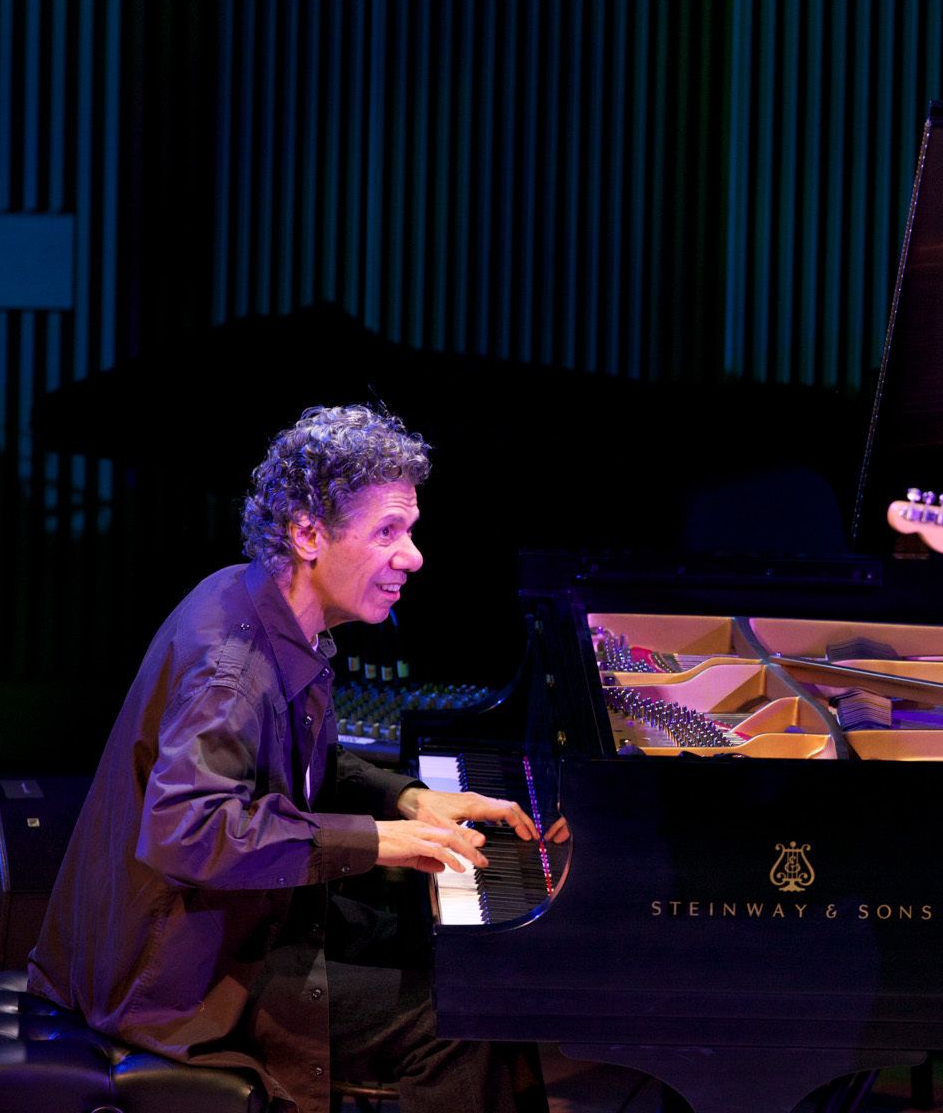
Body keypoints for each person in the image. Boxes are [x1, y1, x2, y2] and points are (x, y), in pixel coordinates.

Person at [29, 404, 559, 1113]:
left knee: (455, 954)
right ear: (307, 534)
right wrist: (376, 841)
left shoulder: (257, 600)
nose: (413, 556)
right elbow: (187, 830)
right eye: (387, 532)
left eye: (411, 530)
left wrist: (405, 799)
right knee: (466, 1021)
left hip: (228, 923)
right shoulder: (233, 670)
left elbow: (292, 765)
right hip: (175, 977)